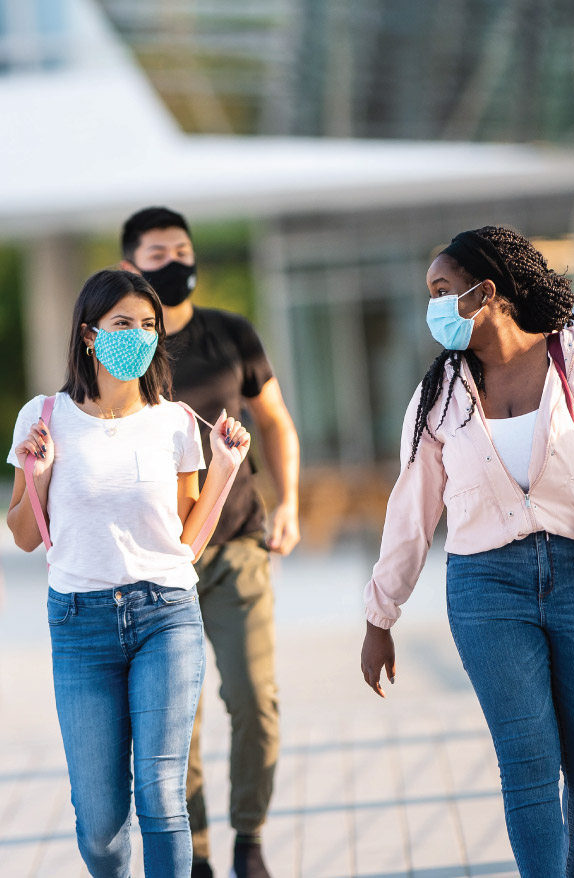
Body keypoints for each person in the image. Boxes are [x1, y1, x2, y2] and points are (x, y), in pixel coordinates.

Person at [360, 226, 574, 878]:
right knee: (526, 760)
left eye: (443, 291)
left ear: (486, 291)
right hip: (486, 589)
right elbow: (412, 512)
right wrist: (380, 616)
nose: (433, 306)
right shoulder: (438, 394)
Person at [6, 269, 250, 877]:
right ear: (90, 334)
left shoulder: (174, 421)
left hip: (165, 614)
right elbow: (24, 534)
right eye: (123, 324)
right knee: (98, 824)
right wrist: (37, 473)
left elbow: (188, 541)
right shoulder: (43, 417)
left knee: (162, 794)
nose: (138, 337)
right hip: (78, 623)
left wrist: (224, 467)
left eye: (148, 326)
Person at [120, 207, 300, 878]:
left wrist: (290, 505)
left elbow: (275, 421)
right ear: (131, 266)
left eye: (182, 249)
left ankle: (248, 837)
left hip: (236, 546)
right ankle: (194, 856)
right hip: (159, 564)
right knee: (179, 720)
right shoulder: (125, 346)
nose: (174, 262)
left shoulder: (231, 334)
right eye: (157, 253)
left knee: (255, 698)